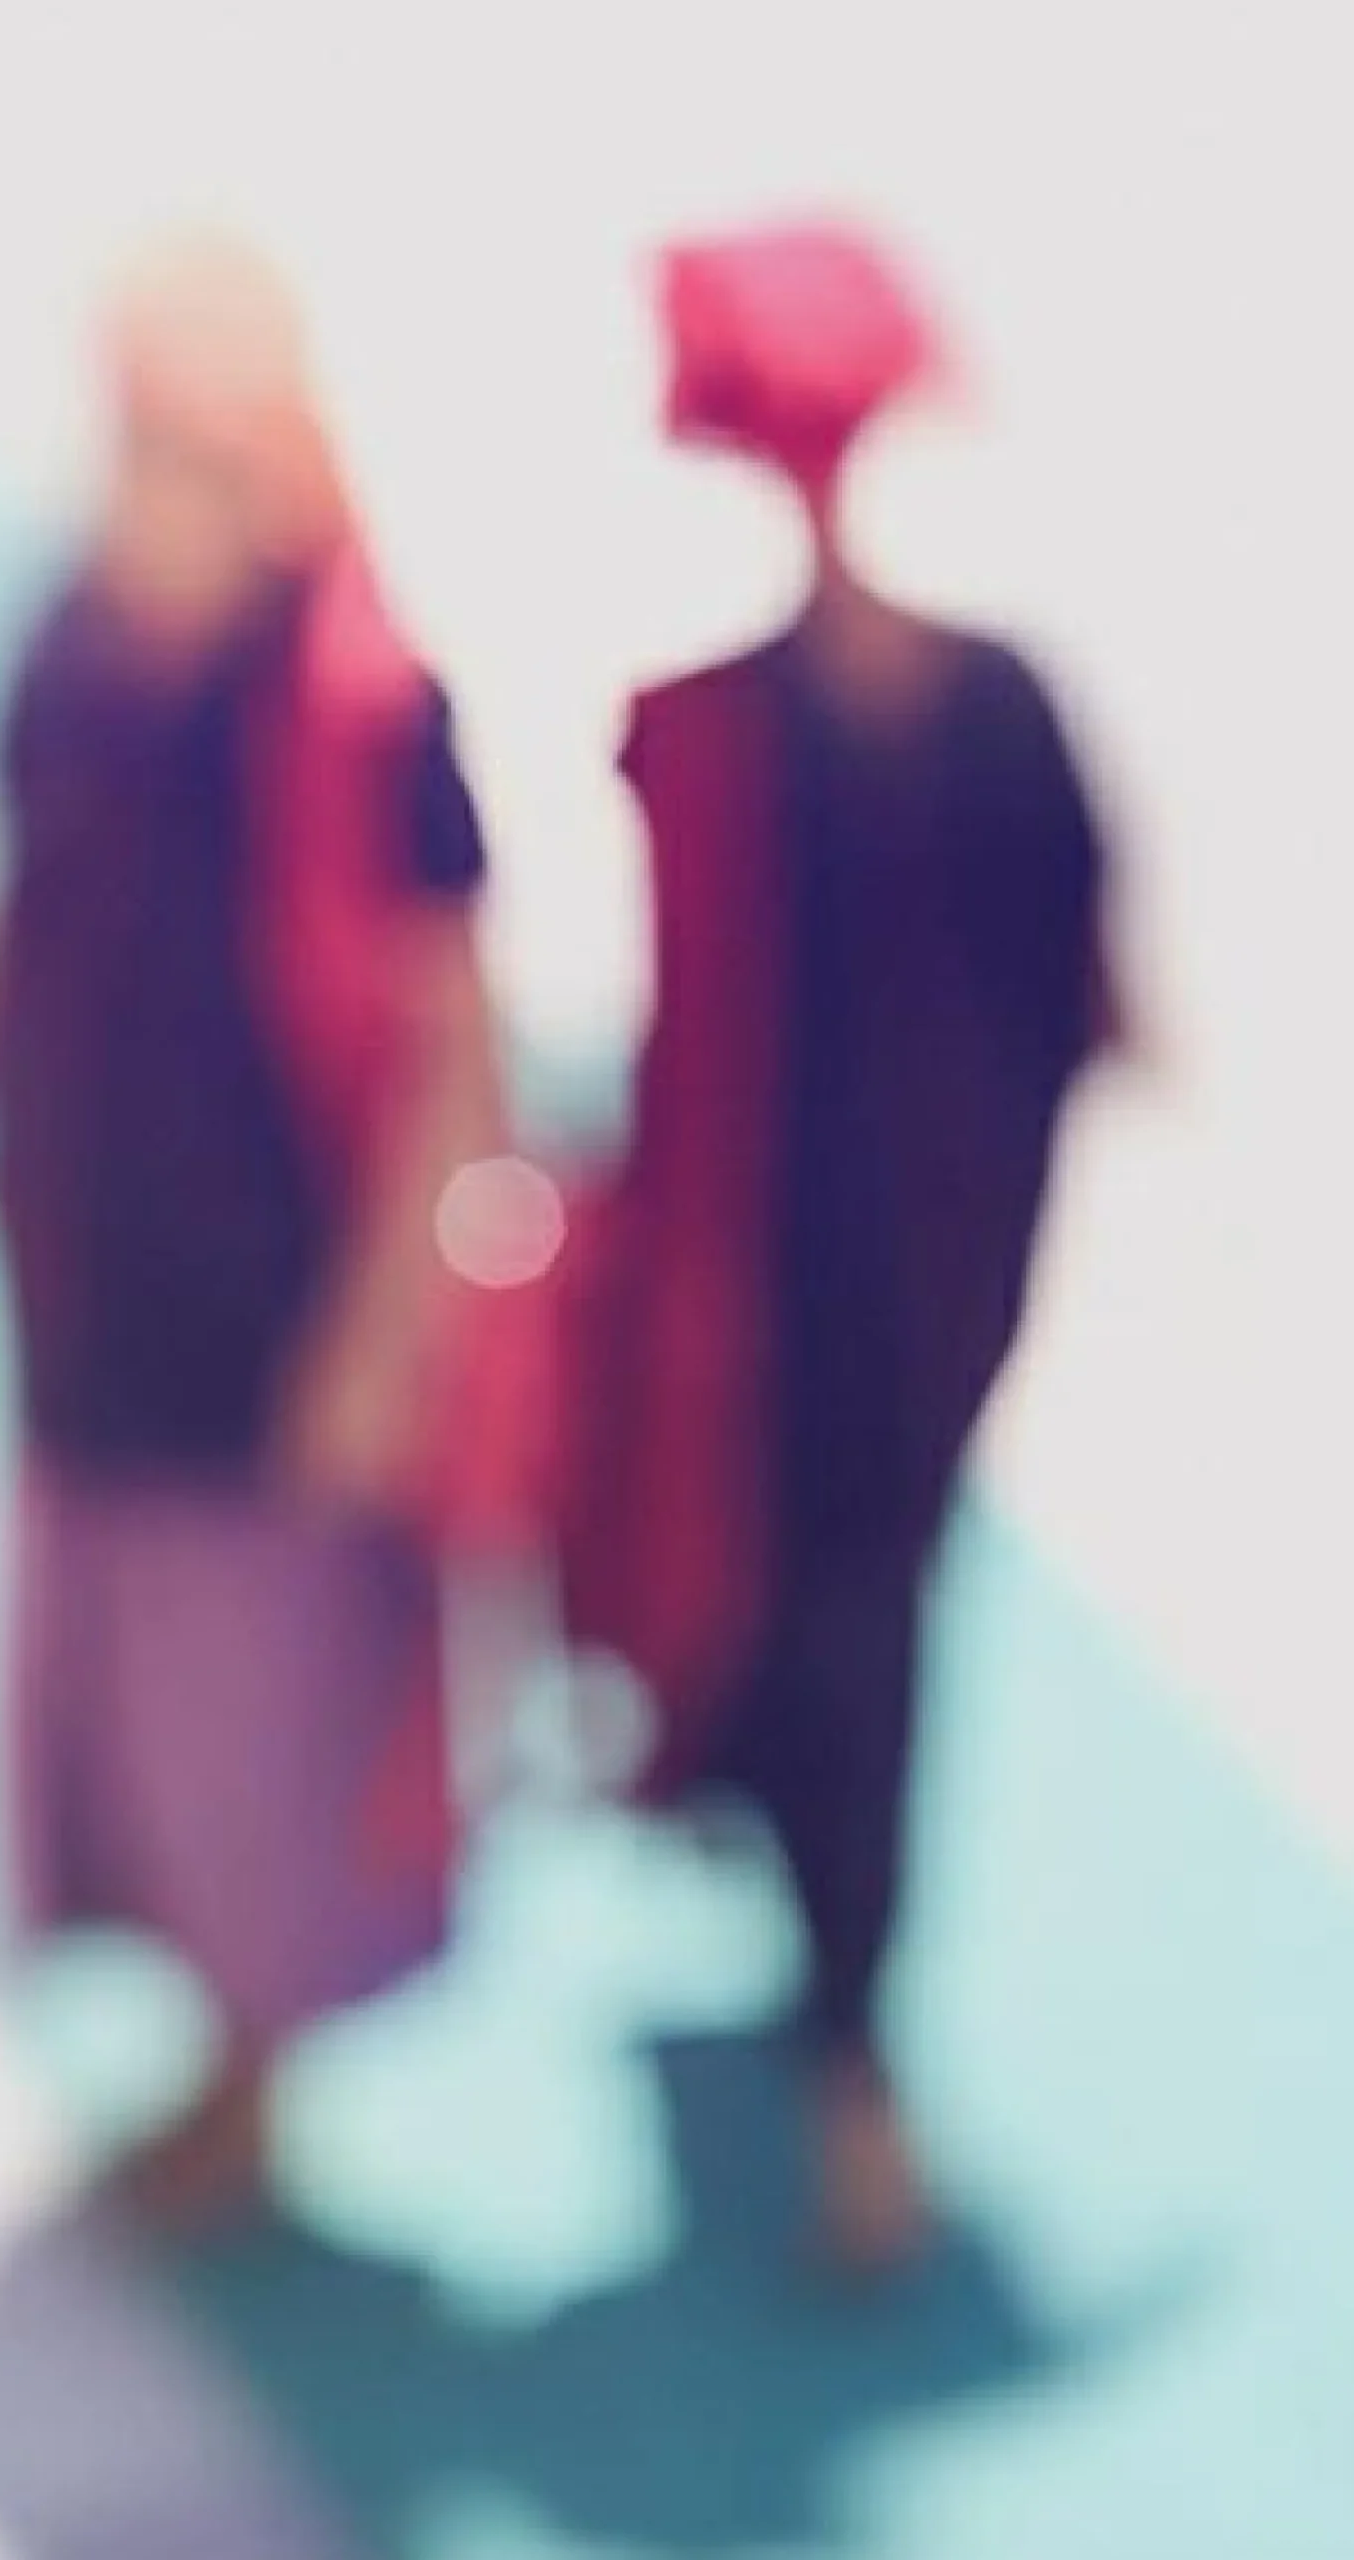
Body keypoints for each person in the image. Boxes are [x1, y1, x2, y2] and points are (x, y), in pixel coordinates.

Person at [0, 236, 516, 2225]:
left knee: (261, 1739)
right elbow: (23, 906)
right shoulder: (71, 652)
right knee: (116, 1716)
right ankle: (195, 2040)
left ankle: (248, 2082)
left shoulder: (360, 706)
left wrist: (385, 1333)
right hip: (84, 1306)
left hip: (267, 1332)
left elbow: (456, 1050)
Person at [558, 222, 1136, 2271]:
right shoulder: (959, 707)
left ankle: (849, 2055)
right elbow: (1091, 993)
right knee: (847, 1614)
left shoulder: (734, 730)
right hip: (893, 1273)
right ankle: (824, 1988)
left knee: (828, 1618)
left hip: (816, 1289)